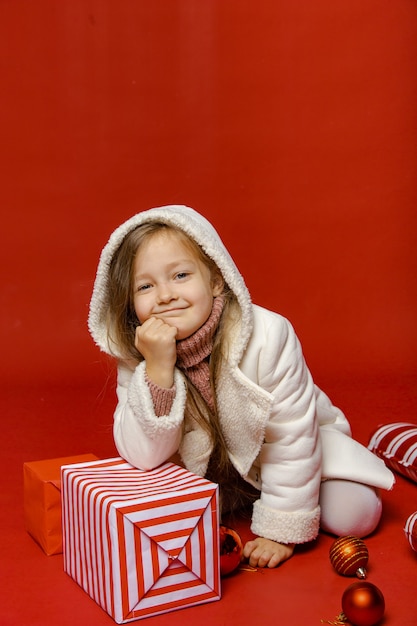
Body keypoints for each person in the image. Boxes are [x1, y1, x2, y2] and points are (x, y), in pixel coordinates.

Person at [88, 205, 394, 569]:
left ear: (216, 279)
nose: (165, 295)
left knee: (355, 514)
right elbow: (144, 456)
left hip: (281, 455)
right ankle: (243, 499)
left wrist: (282, 527)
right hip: (214, 474)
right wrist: (157, 369)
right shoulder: (137, 354)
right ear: (129, 304)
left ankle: (308, 488)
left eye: (181, 275)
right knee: (169, 524)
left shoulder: (269, 334)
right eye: (145, 286)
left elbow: (290, 436)